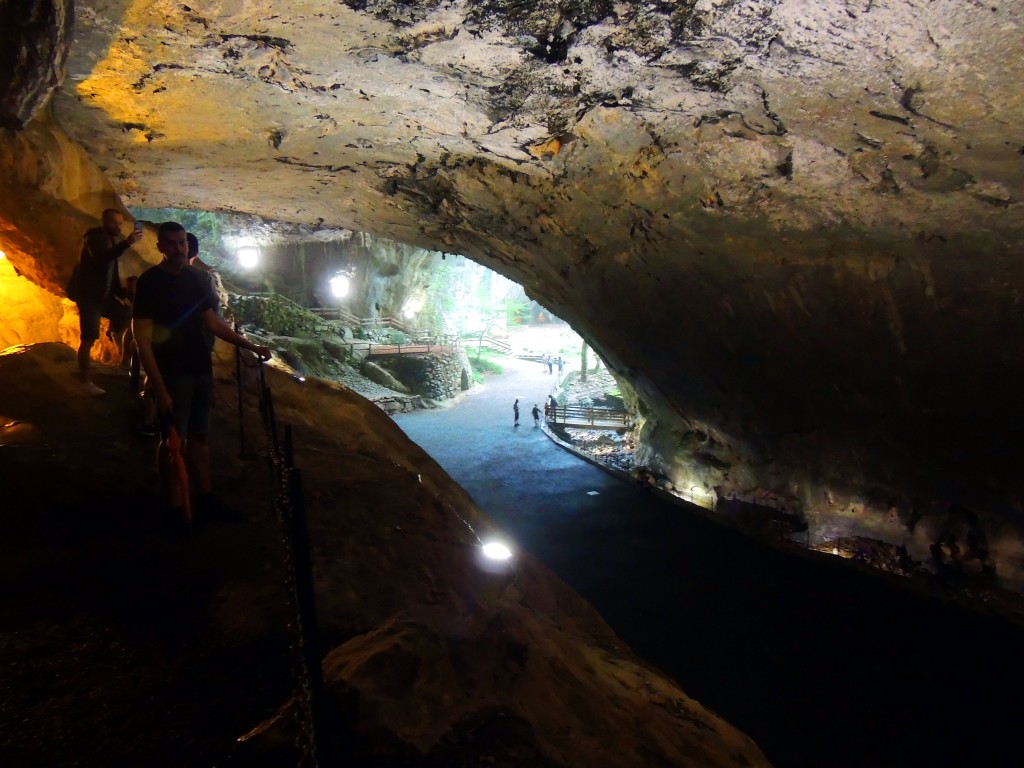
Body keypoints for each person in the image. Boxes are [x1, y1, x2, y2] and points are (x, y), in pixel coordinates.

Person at [133, 221, 271, 522]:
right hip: (172, 372)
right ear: (160, 247)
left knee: (199, 437)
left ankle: (205, 498)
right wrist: (157, 387)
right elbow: (142, 340)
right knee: (172, 441)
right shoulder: (150, 282)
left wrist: (250, 346)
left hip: (199, 368)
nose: (178, 249)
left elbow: (212, 322)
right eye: (170, 243)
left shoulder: (198, 278)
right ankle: (174, 507)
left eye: (182, 243)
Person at [75, 209, 142, 395]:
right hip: (90, 297)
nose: (118, 227)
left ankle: (122, 361)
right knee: (88, 338)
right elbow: (101, 258)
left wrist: (123, 293)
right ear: (104, 221)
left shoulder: (109, 239)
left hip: (103, 296)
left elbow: (110, 272)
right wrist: (127, 243)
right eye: (114, 223)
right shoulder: (94, 237)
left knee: (127, 315)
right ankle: (85, 381)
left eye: (120, 224)